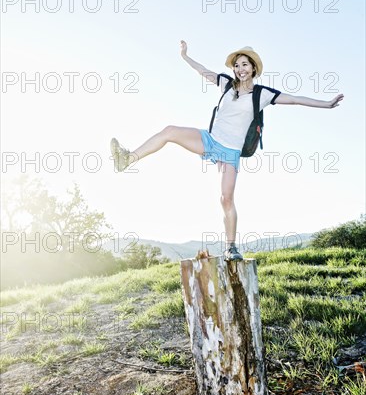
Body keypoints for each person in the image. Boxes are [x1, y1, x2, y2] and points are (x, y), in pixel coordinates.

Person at [110, 41, 344, 261]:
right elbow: (202, 71)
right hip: (210, 140)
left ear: (253, 68)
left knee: (226, 198)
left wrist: (326, 104)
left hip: (231, 152)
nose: (240, 69)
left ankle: (230, 247)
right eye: (237, 65)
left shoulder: (262, 94)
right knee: (170, 130)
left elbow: (294, 100)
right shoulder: (226, 85)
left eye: (245, 64)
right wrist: (185, 56)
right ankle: (127, 159)